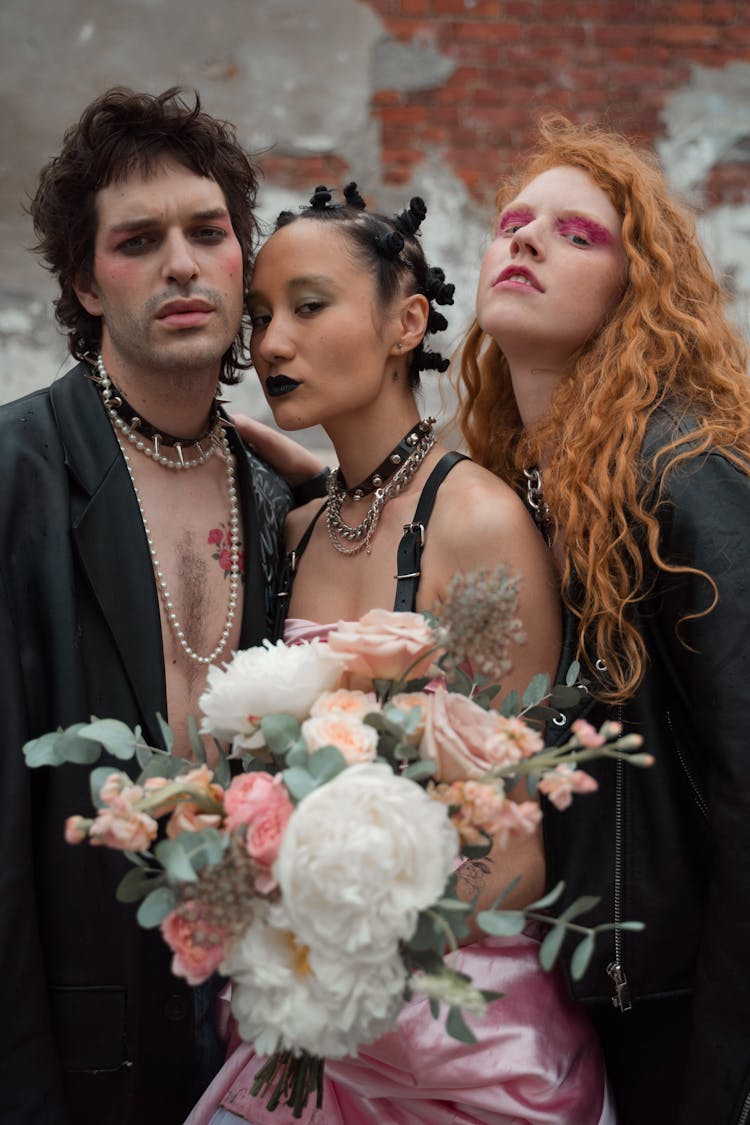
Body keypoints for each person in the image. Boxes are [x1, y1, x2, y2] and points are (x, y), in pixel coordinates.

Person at [186, 185, 615, 1124]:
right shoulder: (293, 528)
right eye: (258, 317)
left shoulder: (478, 521)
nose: (269, 344)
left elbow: (516, 851)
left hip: (455, 1035)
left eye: (308, 305)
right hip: (300, 1022)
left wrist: (342, 930)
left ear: (405, 321)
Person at [0, 87, 297, 1125]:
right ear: (85, 283)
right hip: (81, 1049)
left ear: (239, 260)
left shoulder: (279, 496)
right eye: (138, 240)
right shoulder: (17, 478)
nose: (180, 262)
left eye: (207, 233)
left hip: (259, 1036)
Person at [456, 115, 750, 1124]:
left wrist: (724, 1068)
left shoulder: (681, 471)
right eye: (514, 221)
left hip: (679, 1000)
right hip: (570, 979)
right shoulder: (510, 482)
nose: (527, 240)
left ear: (637, 293)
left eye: (579, 235)